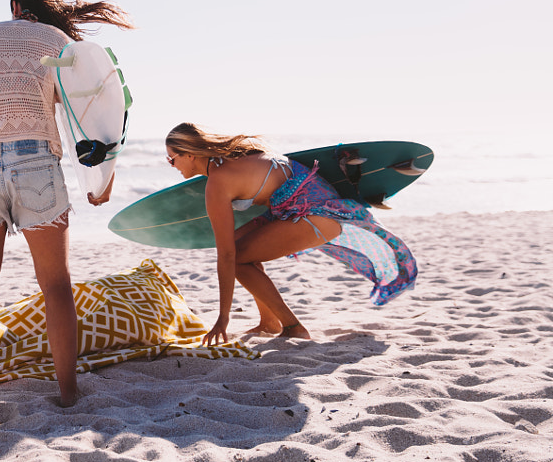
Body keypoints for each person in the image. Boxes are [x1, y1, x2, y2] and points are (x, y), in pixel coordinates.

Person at [0, 0, 134, 407]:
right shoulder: (58, 40)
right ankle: (68, 392)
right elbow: (89, 113)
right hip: (34, 159)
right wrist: (101, 181)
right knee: (55, 283)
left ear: (15, 6)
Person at [165, 122, 418, 344]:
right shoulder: (243, 156)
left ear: (188, 154)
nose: (172, 165)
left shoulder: (218, 182)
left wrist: (223, 318)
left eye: (171, 158)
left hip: (313, 216)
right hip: (318, 209)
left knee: (238, 259)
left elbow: (226, 256)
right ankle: (269, 323)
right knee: (239, 244)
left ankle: (293, 327)